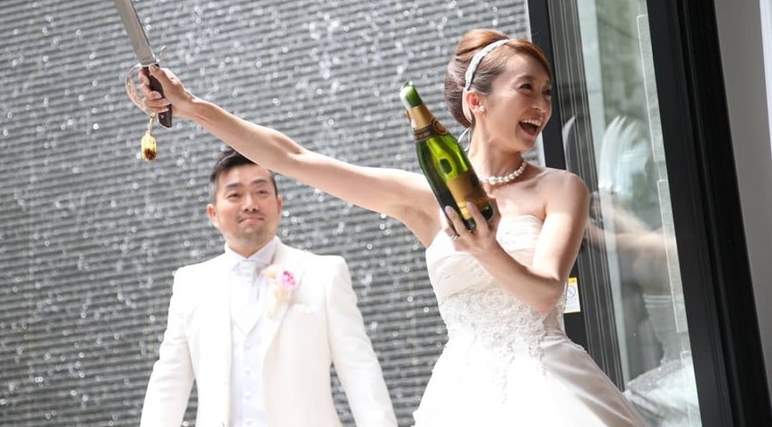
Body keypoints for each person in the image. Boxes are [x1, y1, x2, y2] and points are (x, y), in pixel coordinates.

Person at [137, 28, 646, 425]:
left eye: (547, 92)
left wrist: (487, 248)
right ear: (477, 102)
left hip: (550, 390)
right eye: (526, 88)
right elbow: (293, 157)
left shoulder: (561, 188)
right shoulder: (423, 197)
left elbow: (544, 293)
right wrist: (189, 105)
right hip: (462, 397)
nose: (542, 104)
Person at [138, 147, 398, 427]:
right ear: (213, 213)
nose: (249, 203)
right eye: (235, 194)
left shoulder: (324, 274)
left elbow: (360, 371)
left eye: (261, 192)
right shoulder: (191, 284)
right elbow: (170, 381)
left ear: (279, 204)